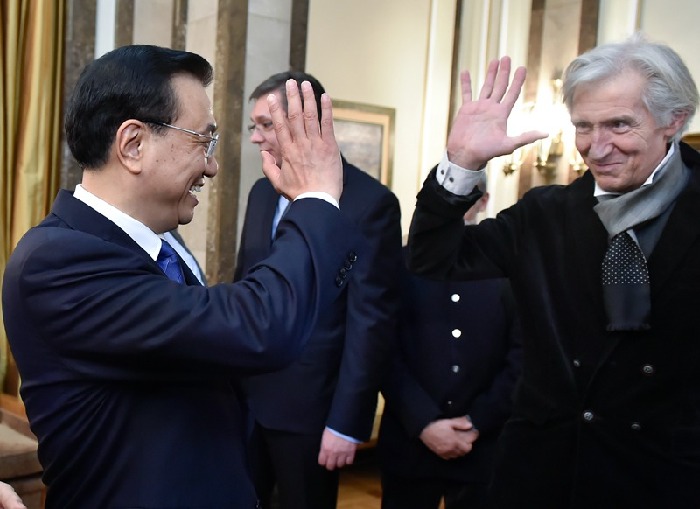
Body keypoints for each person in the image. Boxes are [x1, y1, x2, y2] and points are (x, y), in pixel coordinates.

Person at [2, 45, 362, 508]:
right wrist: (315, 199)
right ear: (133, 145)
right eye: (202, 141)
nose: (211, 166)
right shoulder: (56, 261)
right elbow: (258, 325)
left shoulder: (160, 242)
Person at [407, 34, 700, 508]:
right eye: (583, 126)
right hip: (543, 477)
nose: (597, 148)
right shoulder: (545, 213)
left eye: (619, 125)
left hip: (664, 480)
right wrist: (463, 162)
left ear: (674, 119)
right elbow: (432, 258)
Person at [235, 71, 402, 509]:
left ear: (305, 121)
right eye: (254, 125)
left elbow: (370, 322)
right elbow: (245, 288)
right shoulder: (260, 193)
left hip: (311, 411)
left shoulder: (370, 203)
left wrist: (346, 422)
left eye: (265, 125)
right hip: (248, 399)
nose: (255, 137)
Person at [378, 192, 522, 509]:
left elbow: (521, 357)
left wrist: (476, 422)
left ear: (483, 200)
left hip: (485, 449)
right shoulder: (396, 264)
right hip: (409, 444)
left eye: (466, 194)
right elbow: (382, 350)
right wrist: (424, 422)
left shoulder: (510, 268)